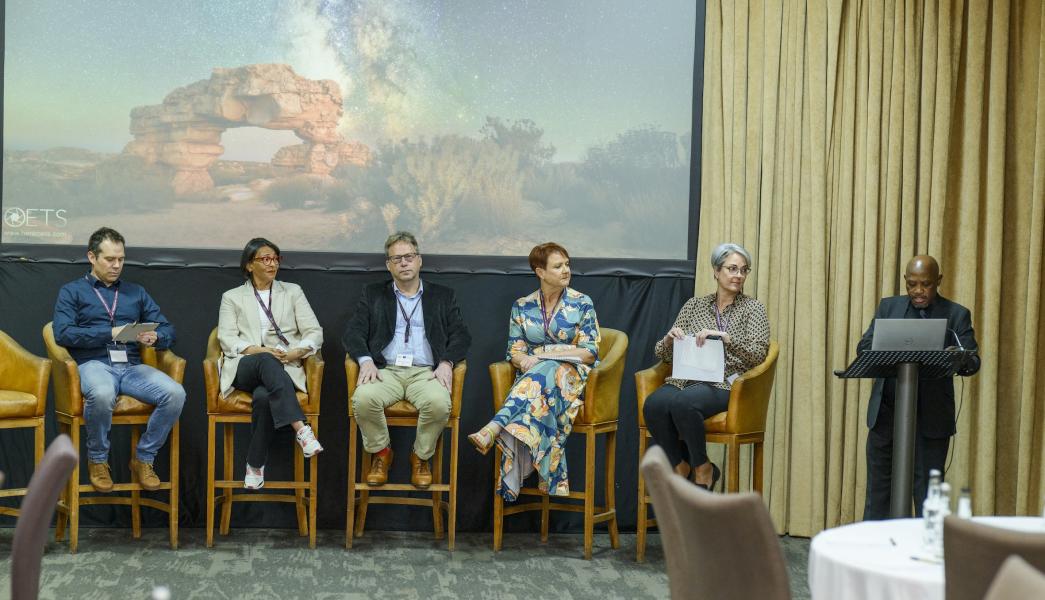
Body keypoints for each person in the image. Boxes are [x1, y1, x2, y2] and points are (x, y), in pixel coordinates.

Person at [52, 227, 186, 493]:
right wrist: (110, 333)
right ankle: (98, 460)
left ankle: (143, 458)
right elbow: (64, 333)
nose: (116, 265)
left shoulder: (136, 292)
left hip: (132, 367)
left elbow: (168, 329)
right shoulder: (72, 292)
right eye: (110, 259)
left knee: (175, 393)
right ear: (92, 257)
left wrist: (155, 338)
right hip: (94, 363)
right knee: (101, 393)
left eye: (121, 259)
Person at [468, 242, 600, 501]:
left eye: (567, 265)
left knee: (546, 368)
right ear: (540, 272)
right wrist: (524, 360)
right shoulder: (522, 306)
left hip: (571, 377)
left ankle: (495, 427)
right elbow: (514, 351)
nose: (566, 270)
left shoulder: (582, 303)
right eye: (558, 266)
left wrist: (542, 356)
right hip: (535, 384)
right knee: (540, 376)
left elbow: (589, 352)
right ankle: (508, 433)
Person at [342, 231, 471, 489]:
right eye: (396, 258)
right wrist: (365, 360)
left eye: (408, 256)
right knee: (363, 399)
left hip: (426, 372)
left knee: (438, 403)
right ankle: (381, 454)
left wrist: (446, 362)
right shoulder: (373, 293)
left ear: (419, 260)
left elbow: (461, 335)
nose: (403, 263)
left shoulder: (442, 296)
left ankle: (420, 457)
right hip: (384, 370)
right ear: (388, 265)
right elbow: (353, 332)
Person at [857, 255, 980, 520]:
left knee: (926, 496)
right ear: (905, 281)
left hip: (931, 419)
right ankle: (874, 552)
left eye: (925, 284)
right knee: (878, 493)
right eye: (912, 284)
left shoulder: (956, 314)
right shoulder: (888, 308)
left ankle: (921, 553)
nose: (918, 291)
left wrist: (955, 356)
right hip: (887, 415)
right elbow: (864, 348)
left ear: (938, 281)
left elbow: (972, 360)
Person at [642, 242, 770, 490]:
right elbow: (662, 353)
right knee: (654, 404)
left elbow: (758, 354)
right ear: (716, 271)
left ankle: (703, 468)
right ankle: (680, 463)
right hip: (686, 377)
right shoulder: (693, 306)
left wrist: (727, 339)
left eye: (744, 270)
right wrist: (669, 339)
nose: (738, 275)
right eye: (732, 269)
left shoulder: (753, 309)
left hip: (725, 381)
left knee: (683, 403)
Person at [217, 238, 324, 490]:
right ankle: (301, 428)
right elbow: (226, 338)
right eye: (265, 259)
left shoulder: (293, 291)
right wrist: (261, 350)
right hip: (246, 365)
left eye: (276, 258)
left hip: (284, 367)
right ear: (249, 265)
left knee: (264, 397)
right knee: (265, 359)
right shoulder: (232, 297)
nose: (272, 263)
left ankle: (254, 465)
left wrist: (296, 352)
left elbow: (314, 331)